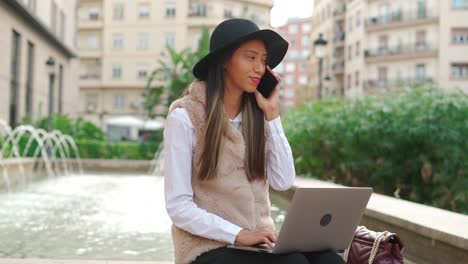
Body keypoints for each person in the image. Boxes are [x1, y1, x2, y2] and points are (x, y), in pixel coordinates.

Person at [164, 18, 344, 264]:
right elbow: (178, 207)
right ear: (224, 61)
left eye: (263, 60)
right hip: (206, 247)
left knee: (328, 259)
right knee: (294, 263)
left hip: (257, 243)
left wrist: (272, 114)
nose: (260, 68)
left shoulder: (258, 116)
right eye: (251, 58)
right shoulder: (186, 117)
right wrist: (239, 235)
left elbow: (283, 181)